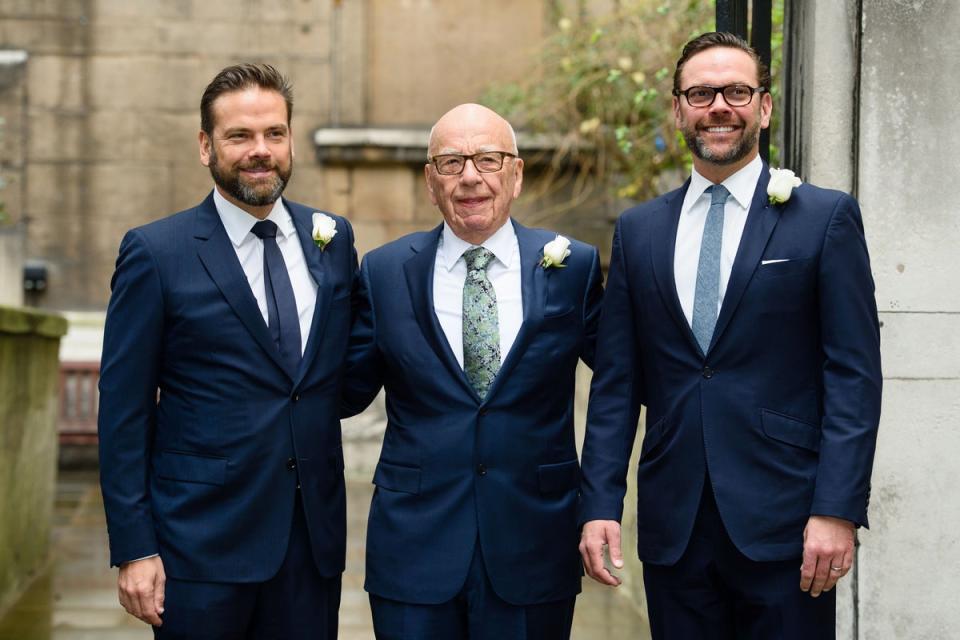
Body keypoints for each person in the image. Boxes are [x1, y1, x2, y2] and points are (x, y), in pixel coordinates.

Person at [578, 32, 882, 639]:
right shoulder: (639, 232)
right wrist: (599, 506)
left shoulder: (823, 218)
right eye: (701, 93)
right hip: (675, 526)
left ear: (764, 108)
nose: (719, 106)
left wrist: (836, 509)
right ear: (679, 109)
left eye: (737, 92)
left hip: (789, 524)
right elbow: (617, 383)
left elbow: (852, 375)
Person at [98, 63, 357, 639]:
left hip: (309, 546)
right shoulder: (155, 252)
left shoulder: (333, 239)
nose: (259, 151)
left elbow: (340, 371)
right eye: (239, 136)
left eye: (275, 134)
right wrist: (135, 547)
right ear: (205, 146)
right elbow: (123, 412)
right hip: (198, 549)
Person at [341, 103, 603, 639]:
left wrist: (602, 503)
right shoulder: (385, 271)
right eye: (451, 162)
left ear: (516, 173)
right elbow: (339, 390)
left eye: (488, 159)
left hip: (535, 544)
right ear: (430, 181)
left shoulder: (572, 267)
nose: (470, 177)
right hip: (414, 552)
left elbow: (622, 383)